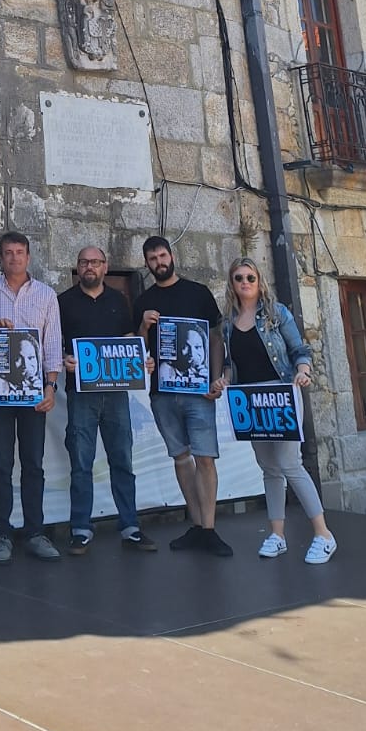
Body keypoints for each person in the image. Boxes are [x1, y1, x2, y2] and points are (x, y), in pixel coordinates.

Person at [223, 257, 337, 564]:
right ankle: (277, 535)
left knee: (290, 464)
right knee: (268, 468)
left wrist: (303, 371)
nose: (245, 282)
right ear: (231, 283)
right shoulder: (227, 323)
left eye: (250, 277)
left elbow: (299, 349)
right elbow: (231, 365)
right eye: (238, 278)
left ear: (260, 281)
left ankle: (324, 535)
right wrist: (223, 380)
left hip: (282, 393)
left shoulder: (277, 314)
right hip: (250, 401)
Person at [132, 235, 230, 557]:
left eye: (162, 256)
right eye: (152, 259)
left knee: (205, 457)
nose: (159, 262)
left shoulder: (197, 292)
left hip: (198, 390)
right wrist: (144, 329)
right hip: (162, 392)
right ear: (146, 264)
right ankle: (198, 524)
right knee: (180, 457)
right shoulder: (142, 300)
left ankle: (210, 528)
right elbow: (137, 353)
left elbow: (215, 337)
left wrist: (215, 378)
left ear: (172, 256)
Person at [0, 230, 63, 564]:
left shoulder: (46, 295)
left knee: (34, 463)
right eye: (8, 253)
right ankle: (2, 534)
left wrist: (50, 386)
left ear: (28, 256)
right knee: (0, 464)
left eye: (20, 252)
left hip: (33, 390)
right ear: (0, 257)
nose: (14, 258)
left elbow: (52, 344)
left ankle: (35, 531)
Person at [59, 246, 157, 555]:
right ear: (77, 267)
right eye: (84, 262)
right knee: (80, 463)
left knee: (122, 461)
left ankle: (130, 526)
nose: (90, 267)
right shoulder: (62, 302)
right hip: (80, 394)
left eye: (95, 262)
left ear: (105, 266)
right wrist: (64, 359)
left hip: (116, 393)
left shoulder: (119, 300)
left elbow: (128, 340)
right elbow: (53, 344)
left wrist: (140, 358)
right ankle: (80, 528)